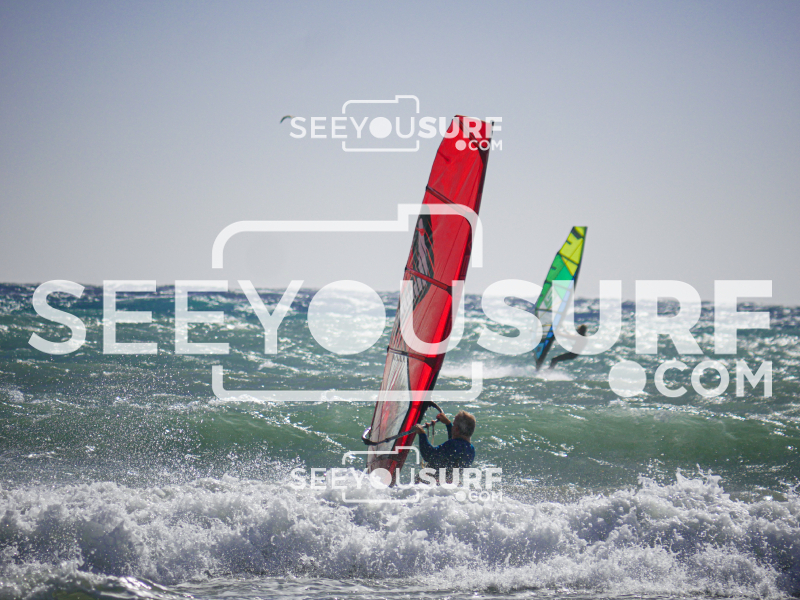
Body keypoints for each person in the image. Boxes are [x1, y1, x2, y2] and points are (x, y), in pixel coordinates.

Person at [412, 410, 475, 479]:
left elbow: (428, 455)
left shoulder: (453, 444)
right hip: (450, 482)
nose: (452, 427)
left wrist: (421, 433)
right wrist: (448, 423)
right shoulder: (470, 449)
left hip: (433, 482)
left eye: (453, 425)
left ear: (456, 429)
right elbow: (454, 449)